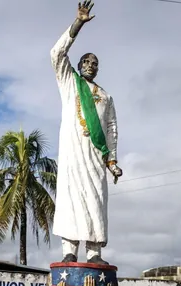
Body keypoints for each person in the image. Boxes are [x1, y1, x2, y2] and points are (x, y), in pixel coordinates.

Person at [51, 0, 122, 265]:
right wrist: (78, 23)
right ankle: (69, 251)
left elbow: (112, 129)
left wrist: (112, 161)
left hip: (96, 158)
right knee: (71, 199)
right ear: (79, 66)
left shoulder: (106, 95)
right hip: (72, 155)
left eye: (95, 62)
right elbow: (56, 55)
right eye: (86, 61)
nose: (91, 64)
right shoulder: (70, 83)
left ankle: (94, 254)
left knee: (96, 200)